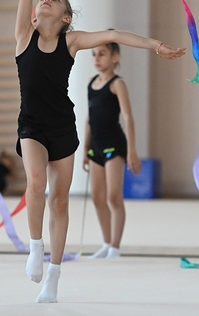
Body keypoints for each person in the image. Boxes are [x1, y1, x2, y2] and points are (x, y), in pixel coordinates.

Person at [11, 0, 185, 303]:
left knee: (60, 200)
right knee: (36, 182)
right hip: (32, 125)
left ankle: (53, 277)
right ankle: (35, 246)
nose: (45, 0)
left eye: (54, 0)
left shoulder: (71, 42)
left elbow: (112, 35)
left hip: (62, 127)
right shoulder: (24, 36)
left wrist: (156, 45)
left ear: (66, 17)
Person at [82, 39, 141, 260]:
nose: (97, 58)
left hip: (114, 145)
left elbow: (128, 117)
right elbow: (89, 118)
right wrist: (85, 148)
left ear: (114, 57)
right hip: (95, 145)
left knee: (113, 196)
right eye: (94, 54)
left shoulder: (117, 84)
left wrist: (132, 151)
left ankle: (115, 247)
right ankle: (106, 243)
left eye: (102, 54)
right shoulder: (90, 83)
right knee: (97, 197)